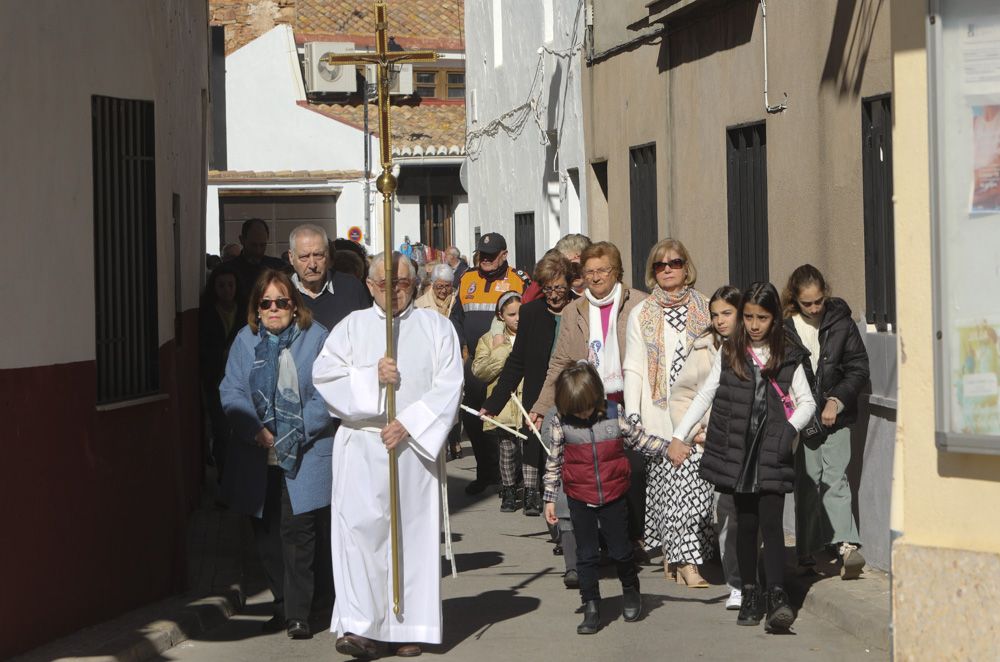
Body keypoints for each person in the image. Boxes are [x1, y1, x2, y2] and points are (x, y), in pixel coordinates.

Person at [312, 252, 464, 659]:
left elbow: (450, 384)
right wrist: (371, 379)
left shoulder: (436, 328)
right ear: (369, 286)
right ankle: (362, 627)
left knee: (409, 536)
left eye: (400, 283)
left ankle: (408, 625)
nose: (392, 291)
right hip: (362, 446)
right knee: (361, 535)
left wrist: (410, 423)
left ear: (414, 285)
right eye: (383, 283)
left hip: (412, 449)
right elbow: (324, 376)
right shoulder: (351, 328)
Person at [669, 282, 816, 633]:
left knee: (772, 525)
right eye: (748, 316)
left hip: (772, 451)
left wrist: (787, 432)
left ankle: (777, 595)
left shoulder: (789, 354)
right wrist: (679, 435)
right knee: (744, 526)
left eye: (761, 318)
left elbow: (807, 402)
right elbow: (706, 394)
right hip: (738, 452)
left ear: (774, 319)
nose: (753, 325)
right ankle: (749, 591)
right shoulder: (732, 351)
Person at [219, 269, 334, 640]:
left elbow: (327, 394)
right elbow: (232, 391)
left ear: (294, 304)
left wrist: (295, 430)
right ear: (256, 307)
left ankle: (300, 614)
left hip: (304, 453)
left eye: (281, 302)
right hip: (257, 453)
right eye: (265, 302)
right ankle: (283, 604)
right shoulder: (244, 341)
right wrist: (256, 429)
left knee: (299, 535)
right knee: (266, 535)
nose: (273, 309)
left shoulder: (316, 339)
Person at [542, 362, 672, 635]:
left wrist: (669, 449)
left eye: (585, 407)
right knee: (586, 555)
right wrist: (550, 499)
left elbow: (639, 441)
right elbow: (554, 462)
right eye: (574, 410)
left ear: (597, 397)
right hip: (579, 497)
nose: (581, 414)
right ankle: (591, 604)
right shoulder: (560, 422)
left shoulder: (614, 414)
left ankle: (630, 588)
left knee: (621, 550)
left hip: (613, 495)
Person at [531, 241, 647, 546]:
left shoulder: (639, 304)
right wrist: (543, 404)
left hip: (628, 400)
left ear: (617, 272)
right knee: (593, 468)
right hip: (589, 404)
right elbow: (560, 361)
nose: (595, 278)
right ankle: (590, 538)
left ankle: (629, 537)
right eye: (589, 272)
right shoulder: (574, 310)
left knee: (628, 469)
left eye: (602, 271)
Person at [623, 239, 712, 585]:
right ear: (652, 271)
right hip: (658, 414)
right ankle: (684, 562)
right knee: (669, 484)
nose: (668, 269)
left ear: (686, 267)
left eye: (674, 263)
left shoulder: (706, 308)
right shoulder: (642, 313)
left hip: (697, 411)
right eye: (660, 265)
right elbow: (634, 366)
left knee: (695, 485)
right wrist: (632, 413)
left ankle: (683, 556)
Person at [782, 265, 870, 579]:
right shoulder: (784, 329)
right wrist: (797, 413)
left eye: (819, 301)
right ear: (795, 298)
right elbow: (779, 376)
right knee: (806, 483)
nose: (815, 308)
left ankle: (846, 545)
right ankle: (805, 552)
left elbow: (858, 367)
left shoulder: (841, 323)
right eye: (808, 304)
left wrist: (837, 399)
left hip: (837, 416)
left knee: (836, 478)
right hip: (802, 418)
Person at [669, 285, 744, 608]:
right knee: (725, 514)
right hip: (714, 445)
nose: (720, 321)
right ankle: (738, 584)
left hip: (750, 444)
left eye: (727, 313)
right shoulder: (703, 348)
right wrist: (692, 433)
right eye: (715, 315)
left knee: (752, 515)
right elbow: (685, 394)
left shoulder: (761, 348)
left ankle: (758, 578)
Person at [451, 232, 530, 495]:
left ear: (504, 255)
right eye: (482, 254)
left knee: (509, 423)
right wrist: (461, 349)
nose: (484, 259)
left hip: (509, 362)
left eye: (491, 255)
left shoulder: (518, 280)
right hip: (475, 362)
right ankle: (486, 472)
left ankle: (514, 479)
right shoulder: (466, 278)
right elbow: (456, 318)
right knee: (473, 418)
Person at [472, 292, 523, 512]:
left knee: (528, 449)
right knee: (506, 448)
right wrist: (501, 349)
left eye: (520, 312)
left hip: (527, 400)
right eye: (511, 314)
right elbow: (479, 371)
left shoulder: (530, 334)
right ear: (501, 316)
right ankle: (508, 490)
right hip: (503, 404)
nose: (517, 318)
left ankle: (531, 492)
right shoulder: (488, 339)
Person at [199, 264, 243, 479]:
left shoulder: (243, 312)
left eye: (230, 285)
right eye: (222, 285)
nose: (227, 290)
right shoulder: (207, 314)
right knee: (222, 431)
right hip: (216, 379)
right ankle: (225, 479)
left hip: (240, 379)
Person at [287, 224, 369, 333]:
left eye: (318, 255)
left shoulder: (351, 288)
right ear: (291, 257)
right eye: (304, 257)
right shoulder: (280, 291)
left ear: (328, 254)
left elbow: (367, 332)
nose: (312, 264)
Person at [521, 233, 591, 303]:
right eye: (569, 266)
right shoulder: (554, 292)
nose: (574, 271)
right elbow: (527, 300)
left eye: (577, 266)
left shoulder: (597, 289)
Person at [229, 218, 288, 294]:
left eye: (262, 245)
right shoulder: (228, 271)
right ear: (242, 240)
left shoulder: (278, 267)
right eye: (253, 245)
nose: (258, 250)